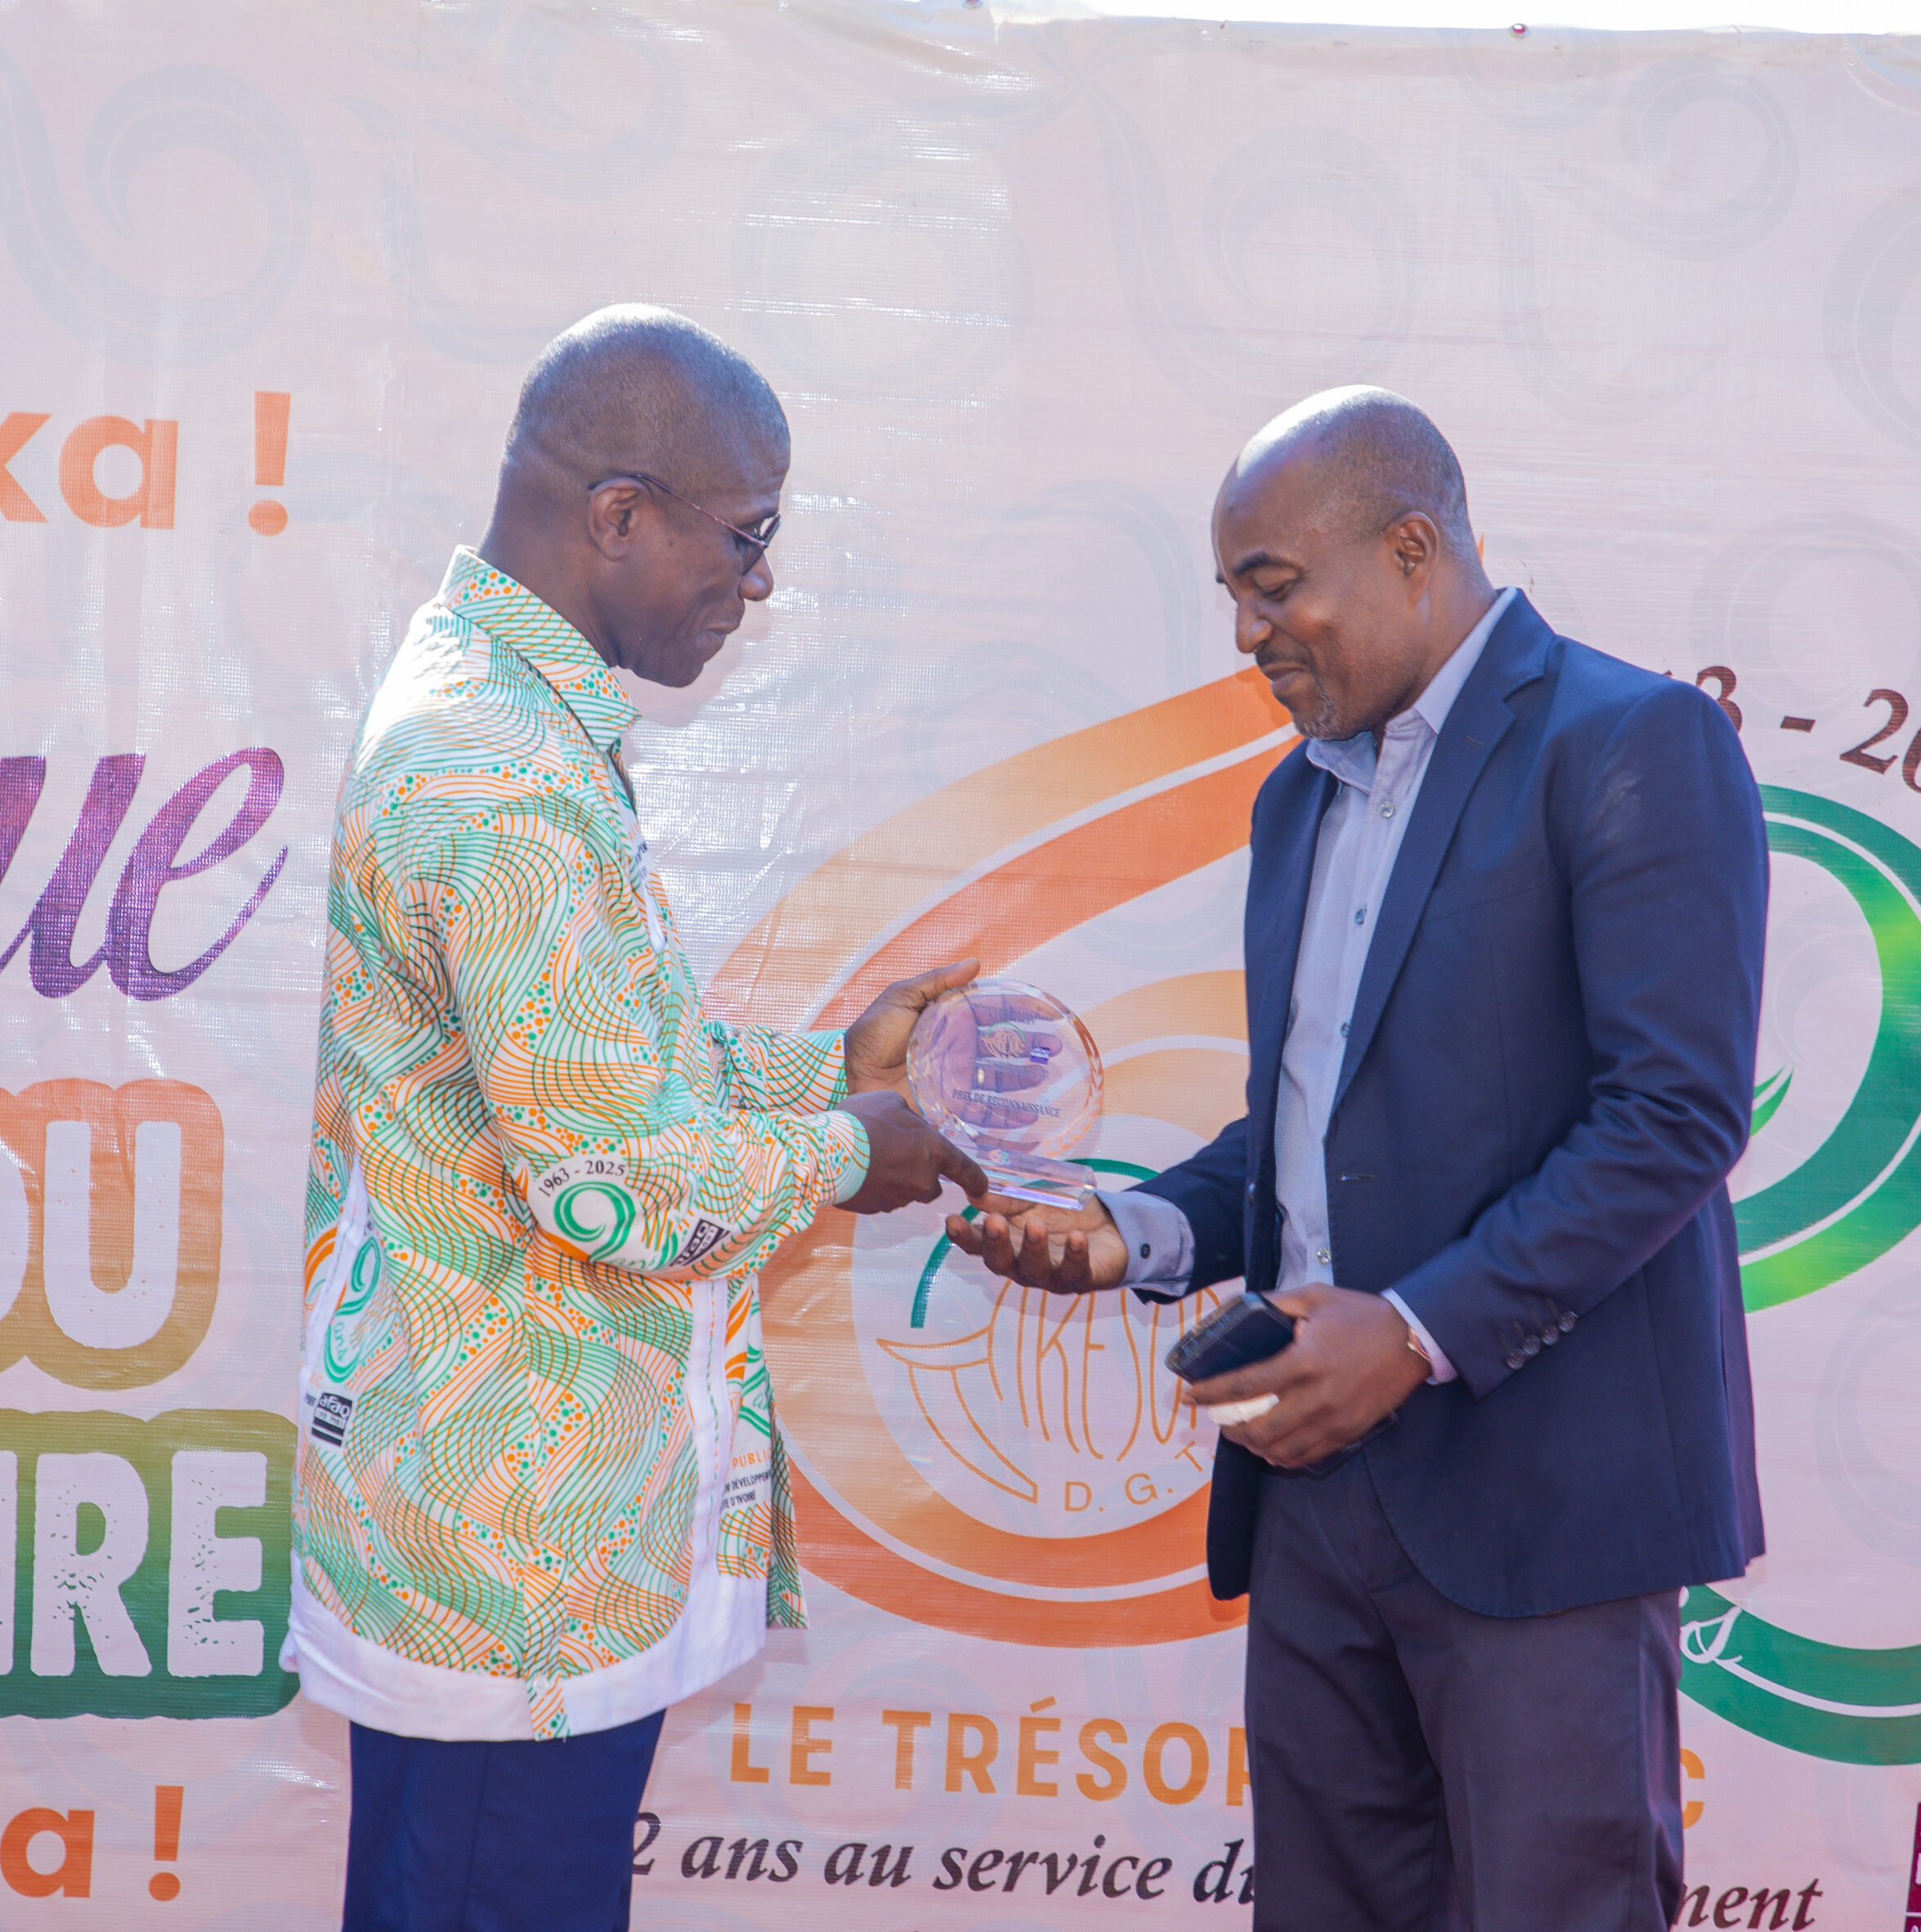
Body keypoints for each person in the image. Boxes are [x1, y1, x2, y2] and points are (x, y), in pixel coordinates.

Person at [949, 387, 1767, 1931]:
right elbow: (1311, 1119)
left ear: (1410, 550)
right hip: (1315, 1498)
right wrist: (1132, 1234)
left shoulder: (1629, 741)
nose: (1249, 634)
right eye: (1233, 594)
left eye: (1274, 586)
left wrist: (1408, 1334)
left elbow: (1672, 1117)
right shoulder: (1296, 798)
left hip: (1546, 1503)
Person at [294, 305, 987, 1932]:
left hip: (493, 1539)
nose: (760, 583)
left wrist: (828, 1072)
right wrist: (850, 1152)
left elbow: (599, 1072)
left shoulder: (496, 710)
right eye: (743, 536)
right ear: (617, 513)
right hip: (517, 1571)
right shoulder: (502, 774)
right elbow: (607, 1178)